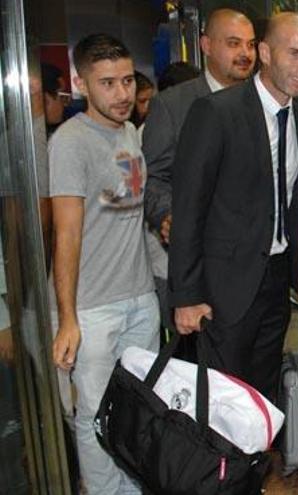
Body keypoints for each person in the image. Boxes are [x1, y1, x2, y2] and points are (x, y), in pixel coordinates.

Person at [169, 12, 298, 403]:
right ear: (265, 53)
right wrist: (186, 296)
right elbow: (188, 208)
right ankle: (223, 467)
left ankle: (255, 464)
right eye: (295, 54)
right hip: (224, 288)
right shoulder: (217, 112)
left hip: (277, 280)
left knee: (263, 391)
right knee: (223, 397)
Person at [49, 33, 159, 495]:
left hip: (139, 298)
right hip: (93, 309)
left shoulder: (131, 133)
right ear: (81, 83)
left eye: (128, 81)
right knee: (94, 417)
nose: (122, 94)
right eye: (108, 83)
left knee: (136, 413)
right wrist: (68, 318)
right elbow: (66, 234)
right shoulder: (70, 142)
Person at [142, 8, 256, 352]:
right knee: (197, 371)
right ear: (206, 45)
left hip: (250, 267)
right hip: (198, 267)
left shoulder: (262, 103)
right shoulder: (173, 105)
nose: (245, 54)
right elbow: (153, 178)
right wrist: (166, 215)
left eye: (250, 45)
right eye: (233, 43)